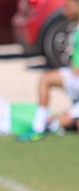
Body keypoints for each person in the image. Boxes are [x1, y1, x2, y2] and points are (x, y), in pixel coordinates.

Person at [24, 0, 79, 140]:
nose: (64, 12)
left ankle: (45, 126)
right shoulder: (75, 29)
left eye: (67, 7)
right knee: (45, 79)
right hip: (75, 80)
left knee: (45, 79)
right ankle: (44, 125)